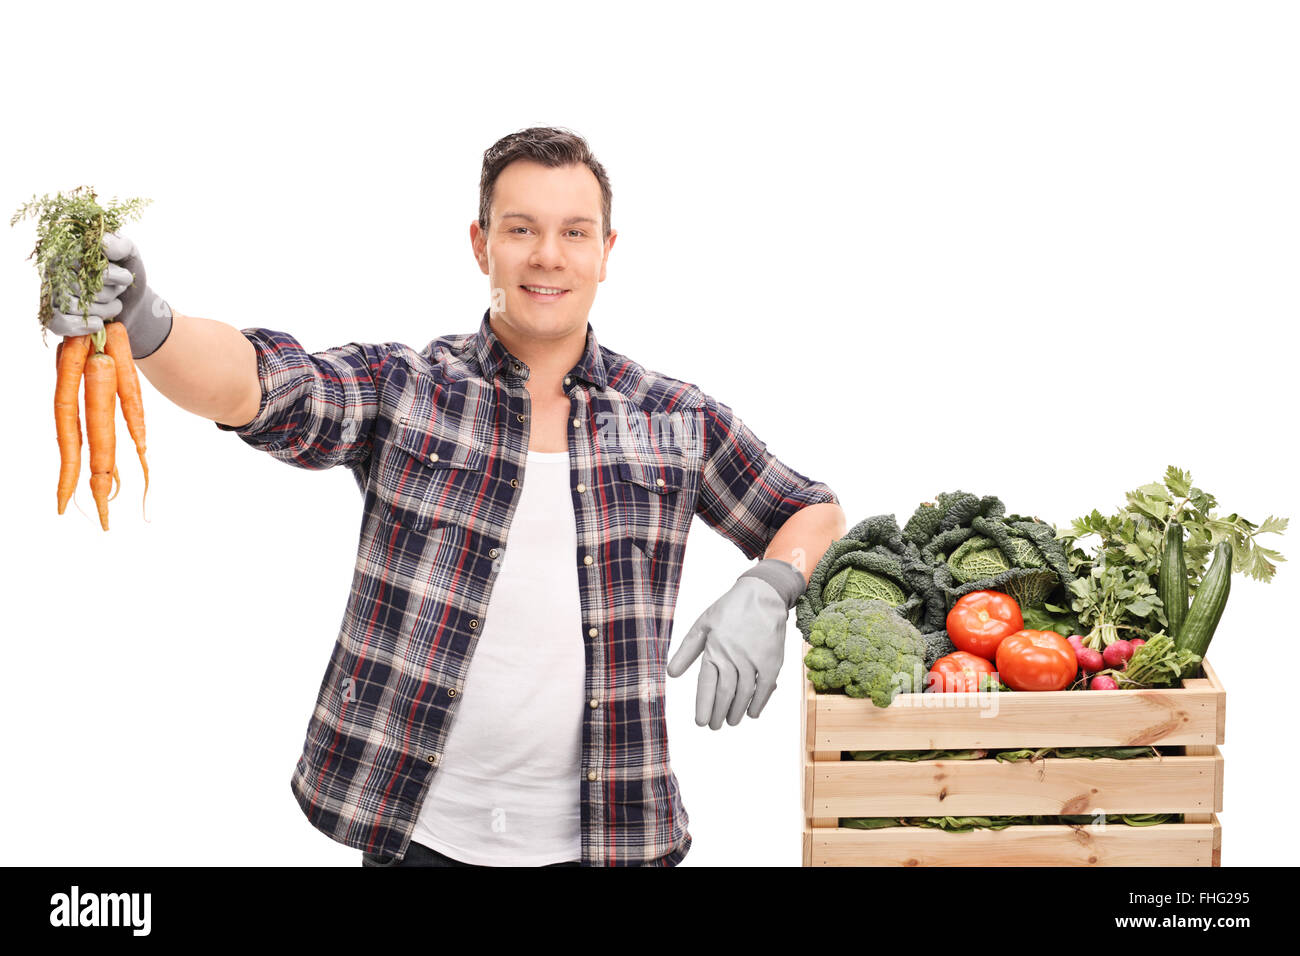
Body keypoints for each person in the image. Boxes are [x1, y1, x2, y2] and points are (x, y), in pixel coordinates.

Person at [47, 127, 846, 867]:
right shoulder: (407, 390)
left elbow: (808, 510)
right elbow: (257, 385)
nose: (548, 256)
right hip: (419, 835)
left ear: (606, 252)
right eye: (521, 228)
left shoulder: (673, 419)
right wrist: (145, 319)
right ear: (481, 244)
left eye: (574, 232)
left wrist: (770, 583)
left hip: (613, 836)